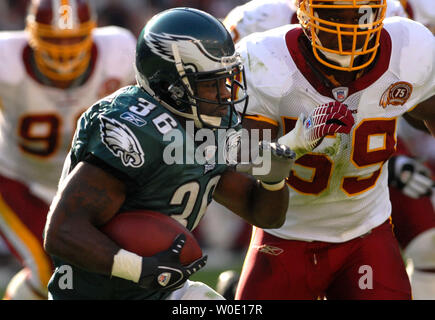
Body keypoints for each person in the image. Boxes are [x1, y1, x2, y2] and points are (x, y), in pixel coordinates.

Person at [42, 7, 306, 300]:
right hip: (96, 294)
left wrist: (273, 180)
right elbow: (63, 232)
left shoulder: (210, 124)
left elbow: (262, 214)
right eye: (210, 83)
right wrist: (139, 268)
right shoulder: (135, 126)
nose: (225, 94)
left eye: (226, 79)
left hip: (162, 290)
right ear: (168, 85)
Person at [216, 0, 435, 300]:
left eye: (362, 13)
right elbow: (247, 162)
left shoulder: (409, 46)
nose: (350, 29)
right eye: (334, 14)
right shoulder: (262, 57)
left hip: (366, 231)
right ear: (306, 11)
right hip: (287, 234)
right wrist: (293, 144)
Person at [0, 0, 136, 299]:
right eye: (53, 39)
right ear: (31, 33)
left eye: (74, 38)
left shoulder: (118, 52)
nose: (64, 50)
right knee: (50, 271)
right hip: (18, 179)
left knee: (99, 270)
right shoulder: (5, 59)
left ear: (92, 32)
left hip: (86, 182)